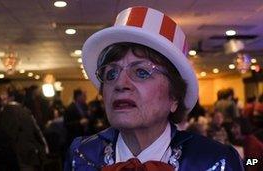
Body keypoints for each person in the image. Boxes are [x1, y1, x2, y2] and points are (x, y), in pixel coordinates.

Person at [64, 6, 243, 171]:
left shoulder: (214, 160)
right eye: (111, 74)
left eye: (141, 72)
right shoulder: (82, 154)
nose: (119, 84)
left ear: (174, 97)